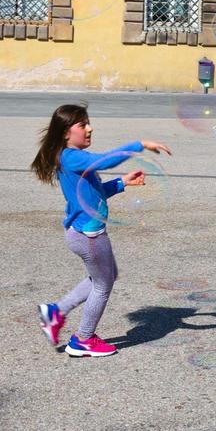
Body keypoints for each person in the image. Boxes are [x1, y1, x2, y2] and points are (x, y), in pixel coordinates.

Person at [31, 103, 172, 358]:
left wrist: (122, 182)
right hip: (89, 236)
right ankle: (83, 340)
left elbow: (94, 194)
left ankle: (56, 312)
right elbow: (104, 160)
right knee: (103, 285)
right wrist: (138, 144)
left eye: (88, 123)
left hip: (81, 233)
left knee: (105, 275)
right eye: (82, 124)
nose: (89, 128)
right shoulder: (71, 157)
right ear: (65, 132)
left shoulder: (71, 158)